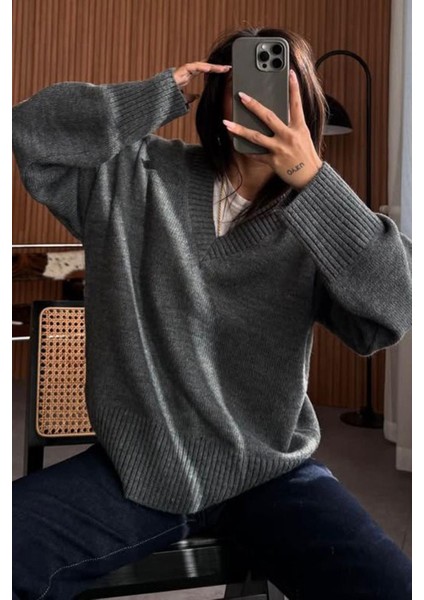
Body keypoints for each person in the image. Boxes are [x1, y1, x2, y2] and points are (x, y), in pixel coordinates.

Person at [12, 26, 412, 600]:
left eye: (280, 89)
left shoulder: (319, 214)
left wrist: (313, 179)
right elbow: (30, 131)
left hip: (272, 473)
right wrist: (157, 94)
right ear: (217, 98)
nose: (261, 102)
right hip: (138, 470)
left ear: (308, 107)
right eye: (245, 84)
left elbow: (394, 310)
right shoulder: (134, 175)